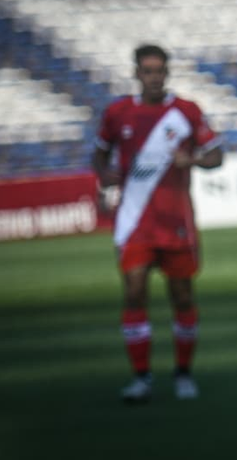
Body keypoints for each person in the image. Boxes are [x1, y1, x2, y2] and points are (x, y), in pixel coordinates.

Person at [92, 44, 223, 403]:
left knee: (182, 297)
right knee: (134, 293)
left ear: (167, 72)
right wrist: (105, 175)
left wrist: (193, 158)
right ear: (136, 73)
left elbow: (217, 155)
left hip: (175, 223)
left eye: (159, 70)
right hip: (134, 222)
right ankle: (142, 378)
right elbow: (99, 153)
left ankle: (183, 373)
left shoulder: (186, 111)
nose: (153, 76)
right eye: (147, 70)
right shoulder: (118, 112)